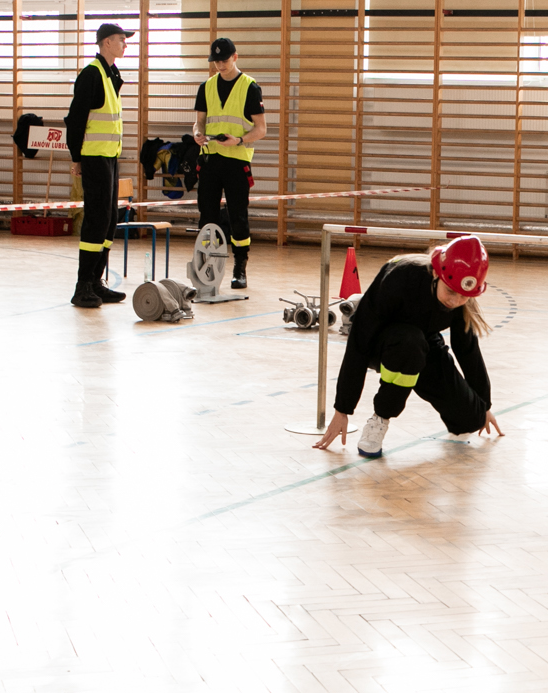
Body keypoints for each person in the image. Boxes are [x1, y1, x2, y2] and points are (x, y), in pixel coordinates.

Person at [311, 236, 504, 460]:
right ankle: (380, 419)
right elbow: (359, 343)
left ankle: (466, 408)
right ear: (436, 274)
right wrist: (342, 409)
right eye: (450, 292)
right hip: (381, 341)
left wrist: (484, 404)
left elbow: (467, 349)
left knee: (471, 418)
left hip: (423, 342)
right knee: (410, 344)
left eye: (464, 297)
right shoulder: (400, 277)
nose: (455, 301)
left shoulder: (461, 298)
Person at [193, 36, 266, 290]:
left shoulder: (249, 87)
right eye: (216, 61)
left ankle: (240, 267)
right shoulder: (206, 87)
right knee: (207, 216)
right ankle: (207, 265)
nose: (220, 65)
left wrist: (239, 140)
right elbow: (199, 121)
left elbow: (261, 129)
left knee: (238, 217)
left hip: (236, 161)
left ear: (235, 57)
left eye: (224, 60)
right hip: (210, 159)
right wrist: (197, 133)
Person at [66, 22, 129, 308]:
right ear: (106, 43)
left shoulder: (111, 74)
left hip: (109, 156)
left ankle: (96, 281)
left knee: (110, 219)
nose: (125, 44)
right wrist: (76, 157)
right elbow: (76, 119)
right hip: (93, 157)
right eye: (120, 39)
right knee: (96, 219)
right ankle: (83, 286)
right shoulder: (91, 74)